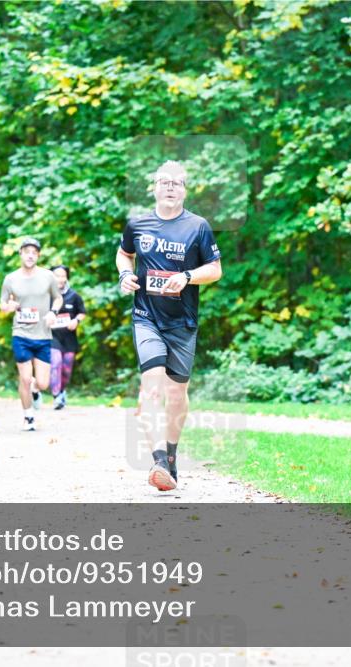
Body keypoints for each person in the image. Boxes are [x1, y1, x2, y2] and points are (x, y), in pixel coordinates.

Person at [116, 160, 222, 491]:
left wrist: (187, 276)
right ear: (155, 187)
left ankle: (172, 457)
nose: (171, 187)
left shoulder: (198, 226)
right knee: (151, 387)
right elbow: (124, 254)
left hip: (182, 322)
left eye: (177, 182)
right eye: (165, 181)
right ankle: (158, 460)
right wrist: (124, 275)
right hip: (146, 318)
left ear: (185, 189)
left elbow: (215, 269)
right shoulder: (138, 223)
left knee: (176, 393)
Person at [0, 238, 63, 431]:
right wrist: (8, 307)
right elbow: (2, 304)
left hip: (43, 335)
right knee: (25, 378)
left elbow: (58, 298)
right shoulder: (11, 279)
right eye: (26, 251)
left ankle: (36, 390)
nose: (30, 255)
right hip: (21, 334)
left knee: (42, 383)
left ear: (38, 256)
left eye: (34, 252)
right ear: (20, 253)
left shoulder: (48, 276)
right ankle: (28, 417)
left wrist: (53, 312)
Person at [49, 265, 86, 410]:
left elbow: (82, 312)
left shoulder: (74, 296)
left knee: (66, 369)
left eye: (62, 275)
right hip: (52, 336)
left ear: (66, 277)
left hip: (69, 337)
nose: (59, 278)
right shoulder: (46, 295)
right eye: (56, 275)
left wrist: (76, 321)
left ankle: (62, 390)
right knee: (55, 363)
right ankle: (56, 396)